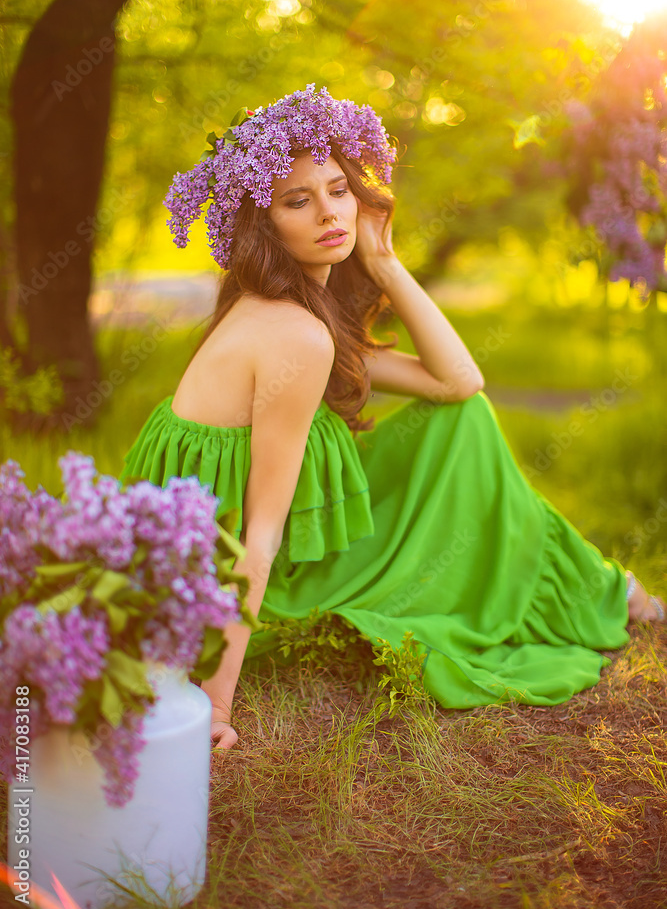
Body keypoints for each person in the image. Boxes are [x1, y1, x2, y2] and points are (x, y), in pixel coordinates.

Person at [119, 84, 665, 752]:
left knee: (462, 421)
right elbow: (257, 536)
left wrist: (382, 259)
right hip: (254, 578)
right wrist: (216, 705)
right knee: (470, 444)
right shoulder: (294, 336)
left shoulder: (291, 310)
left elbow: (458, 383)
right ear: (263, 223)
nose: (329, 212)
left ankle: (605, 589)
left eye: (338, 190)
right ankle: (609, 592)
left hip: (268, 545)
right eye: (297, 200)